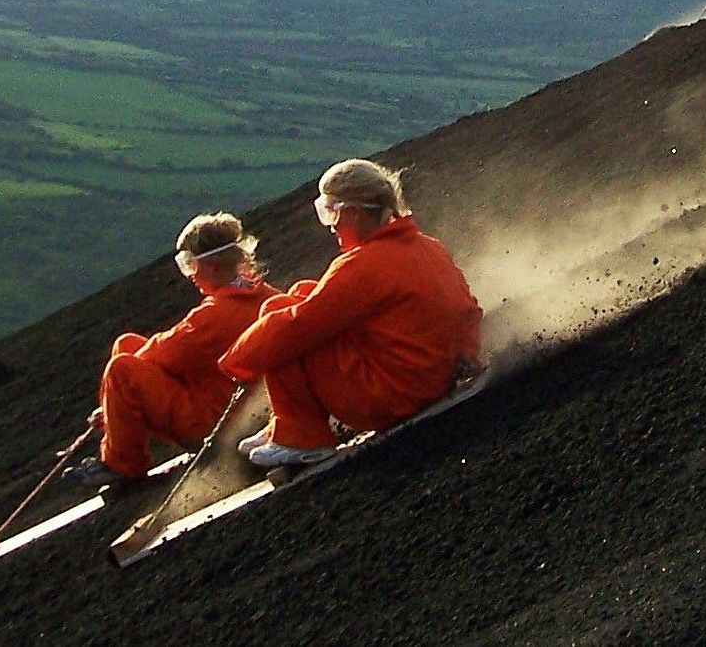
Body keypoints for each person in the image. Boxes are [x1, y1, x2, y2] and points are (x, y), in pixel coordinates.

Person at [220, 158, 484, 468]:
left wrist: (238, 362)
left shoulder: (361, 265)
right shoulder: (428, 247)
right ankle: (287, 422)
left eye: (330, 211)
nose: (330, 224)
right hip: (436, 376)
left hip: (394, 396)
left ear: (353, 212)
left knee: (280, 324)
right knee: (302, 293)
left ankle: (303, 439)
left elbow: (297, 327)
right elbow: (467, 310)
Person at [64, 212, 278, 491]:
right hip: (244, 409)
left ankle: (122, 465)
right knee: (127, 346)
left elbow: (165, 353)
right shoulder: (265, 295)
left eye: (190, 265)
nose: (190, 276)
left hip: (220, 423)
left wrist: (112, 401)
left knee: (121, 369)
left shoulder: (218, 315)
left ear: (212, 265)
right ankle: (121, 451)